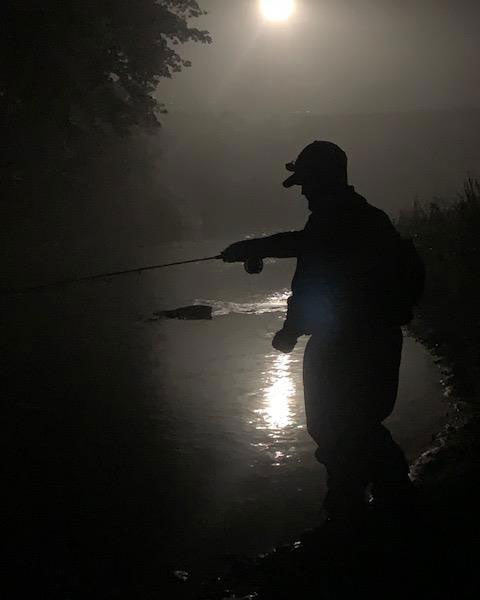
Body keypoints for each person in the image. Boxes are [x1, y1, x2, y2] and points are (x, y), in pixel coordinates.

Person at [221, 141, 417, 523]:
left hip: (346, 343)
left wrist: (289, 332)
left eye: (306, 182)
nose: (304, 191)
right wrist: (254, 247)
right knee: (358, 422)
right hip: (379, 338)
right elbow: (306, 247)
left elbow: (312, 280)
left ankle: (361, 505)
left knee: (333, 424)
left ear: (325, 179)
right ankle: (380, 498)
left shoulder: (335, 220)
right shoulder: (362, 216)